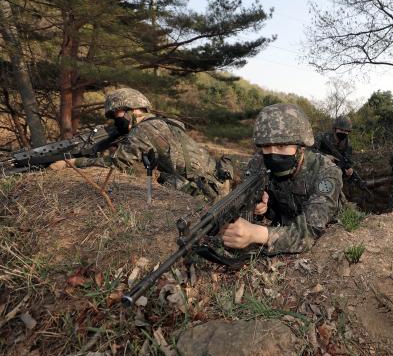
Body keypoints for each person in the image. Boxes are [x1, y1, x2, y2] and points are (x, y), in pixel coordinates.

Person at [214, 103, 344, 262]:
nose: (273, 154)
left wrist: (256, 234)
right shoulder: (258, 163)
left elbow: (310, 232)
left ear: (301, 147)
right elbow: (250, 198)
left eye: (282, 146)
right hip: (283, 220)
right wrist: (261, 208)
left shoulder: (326, 172)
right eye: (267, 147)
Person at [50, 88, 232, 200]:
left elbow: (119, 164)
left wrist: (73, 163)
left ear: (132, 110)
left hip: (208, 193)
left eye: (117, 114)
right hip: (217, 185)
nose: (116, 120)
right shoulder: (161, 122)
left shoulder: (145, 129)